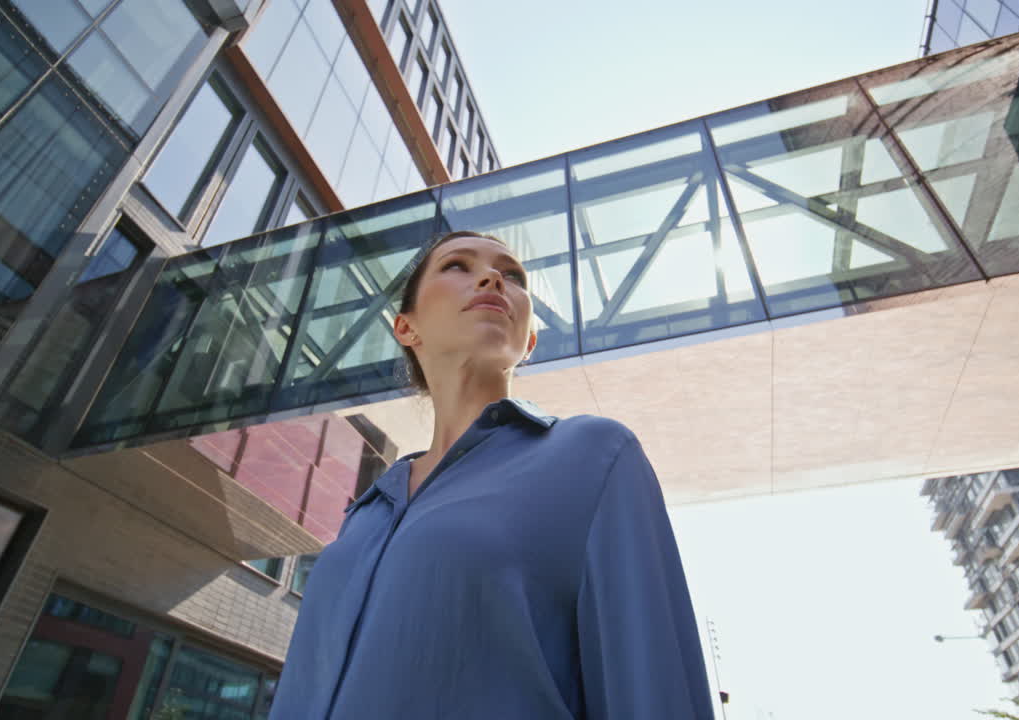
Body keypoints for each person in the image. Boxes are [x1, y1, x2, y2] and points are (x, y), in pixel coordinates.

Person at [269, 231, 714, 720]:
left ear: (529, 342)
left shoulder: (594, 456)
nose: (491, 278)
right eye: (457, 265)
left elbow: (655, 691)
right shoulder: (366, 511)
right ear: (405, 327)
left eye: (513, 276)